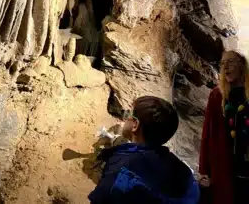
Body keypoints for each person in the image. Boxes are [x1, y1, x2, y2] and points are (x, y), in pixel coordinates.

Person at [88, 96, 200, 204]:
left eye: (128, 115)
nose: (125, 118)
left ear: (135, 125)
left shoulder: (121, 167)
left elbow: (102, 198)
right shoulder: (181, 169)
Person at [199, 50, 249, 204]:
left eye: (231, 62)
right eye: (222, 63)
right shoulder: (217, 96)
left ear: (241, 65)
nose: (225, 67)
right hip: (224, 163)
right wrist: (203, 170)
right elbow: (207, 134)